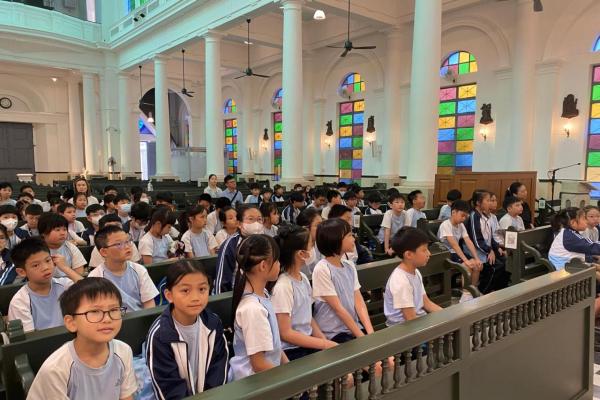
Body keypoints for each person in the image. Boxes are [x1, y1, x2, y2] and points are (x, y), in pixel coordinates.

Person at [27, 278, 137, 399]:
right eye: (94, 311)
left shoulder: (123, 351)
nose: (107, 319)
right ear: (71, 323)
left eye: (114, 310)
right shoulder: (56, 369)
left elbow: (126, 397)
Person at [145, 261, 228, 397]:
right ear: (169, 295)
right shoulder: (160, 335)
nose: (195, 298)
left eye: (202, 289)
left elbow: (218, 371)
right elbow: (168, 388)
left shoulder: (213, 323)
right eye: (185, 291)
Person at [272, 226, 337, 361]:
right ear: (301, 254)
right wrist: (324, 344)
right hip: (292, 350)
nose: (314, 249)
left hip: (307, 344)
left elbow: (308, 318)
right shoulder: (283, 286)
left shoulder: (303, 278)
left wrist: (324, 341)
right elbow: (285, 333)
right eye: (311, 245)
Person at [228, 235, 288, 380]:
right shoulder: (252, 308)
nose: (279, 264)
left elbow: (275, 347)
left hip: (270, 376)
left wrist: (288, 367)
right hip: (253, 382)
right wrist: (289, 378)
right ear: (263, 266)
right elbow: (259, 364)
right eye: (277, 260)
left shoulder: (263, 294)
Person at [312, 218, 374, 343]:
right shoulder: (322, 269)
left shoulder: (349, 265)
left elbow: (359, 302)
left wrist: (370, 333)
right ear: (335, 239)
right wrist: (363, 339)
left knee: (384, 353)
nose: (354, 238)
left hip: (353, 328)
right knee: (372, 355)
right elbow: (338, 309)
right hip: (333, 332)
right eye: (350, 235)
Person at [8, 238, 83, 332]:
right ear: (21, 272)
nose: (45, 268)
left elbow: (91, 291)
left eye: (48, 260)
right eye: (36, 265)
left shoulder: (64, 285)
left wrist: (65, 268)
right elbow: (30, 338)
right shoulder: (20, 301)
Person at [88, 226, 158, 311]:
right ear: (104, 252)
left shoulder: (139, 270)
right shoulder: (95, 277)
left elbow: (149, 303)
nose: (127, 247)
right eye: (118, 244)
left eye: (127, 241)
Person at [384, 227, 442, 326]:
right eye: (424, 250)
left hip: (417, 321)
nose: (429, 253)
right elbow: (410, 319)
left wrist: (448, 315)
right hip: (403, 329)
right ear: (409, 254)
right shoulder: (400, 280)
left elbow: (426, 303)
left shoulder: (415, 271)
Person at [437, 200, 483, 302]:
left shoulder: (461, 225)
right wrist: (465, 260)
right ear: (453, 212)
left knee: (477, 265)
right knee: (467, 266)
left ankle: (473, 290)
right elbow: (454, 245)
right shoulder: (446, 225)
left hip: (455, 253)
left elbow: (468, 241)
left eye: (466, 216)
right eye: (462, 215)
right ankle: (466, 295)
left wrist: (476, 258)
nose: (464, 218)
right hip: (445, 254)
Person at [213, 205, 264, 294]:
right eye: (251, 219)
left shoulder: (266, 242)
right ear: (239, 224)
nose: (256, 223)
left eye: (259, 219)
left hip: (259, 292)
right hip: (236, 294)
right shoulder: (230, 245)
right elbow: (222, 282)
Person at [465, 190, 509, 294]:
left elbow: (490, 237)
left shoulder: (486, 216)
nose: (490, 203)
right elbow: (477, 240)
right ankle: (482, 292)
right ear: (478, 203)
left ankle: (496, 291)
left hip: (485, 250)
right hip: (475, 251)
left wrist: (496, 247)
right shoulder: (474, 216)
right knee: (495, 268)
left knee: (505, 263)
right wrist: (489, 250)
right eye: (488, 200)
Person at [38, 212, 86, 277]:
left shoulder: (70, 247)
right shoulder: (36, 250)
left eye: (64, 229)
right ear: (43, 233)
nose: (62, 233)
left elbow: (79, 273)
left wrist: (64, 267)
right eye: (57, 230)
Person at [296, 208, 323, 277]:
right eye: (318, 225)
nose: (322, 228)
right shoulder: (299, 251)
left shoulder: (320, 241)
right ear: (306, 229)